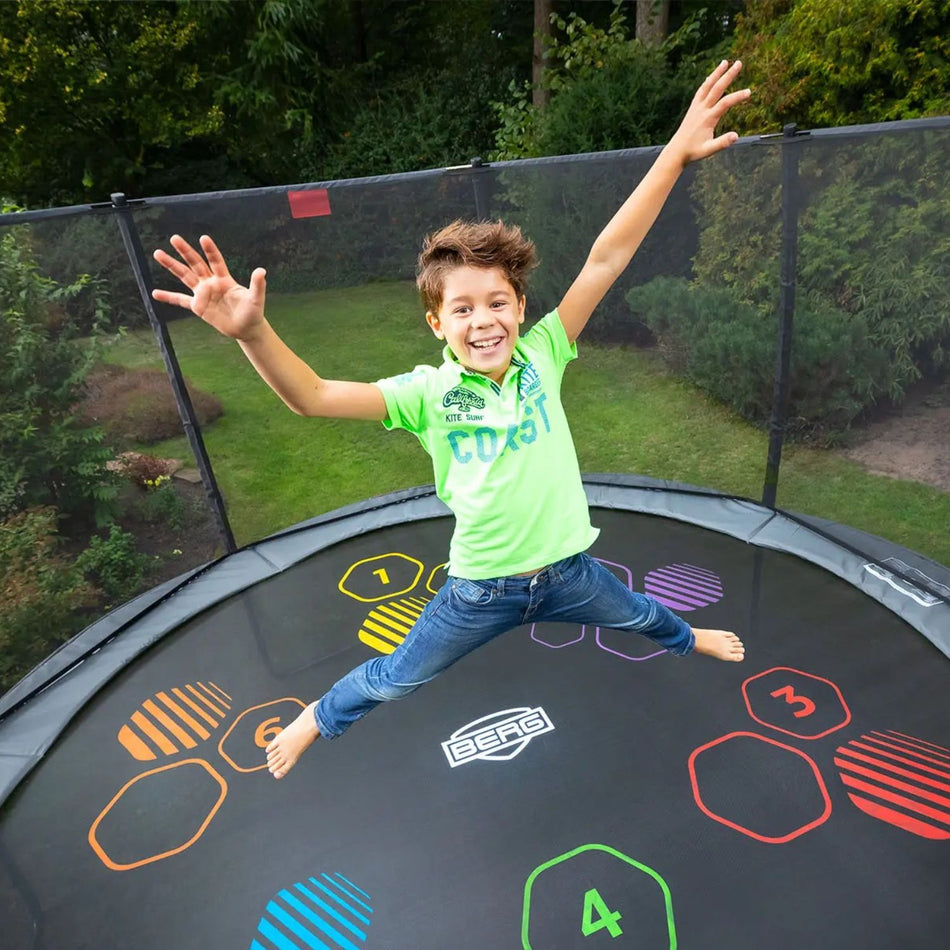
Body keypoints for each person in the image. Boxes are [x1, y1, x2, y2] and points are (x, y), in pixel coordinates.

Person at [153, 60, 750, 780]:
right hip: (481, 591)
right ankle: (318, 716)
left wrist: (674, 154)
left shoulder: (545, 353)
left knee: (641, 615)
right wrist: (252, 333)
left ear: (521, 309)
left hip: (568, 571)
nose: (484, 321)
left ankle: (692, 640)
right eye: (462, 309)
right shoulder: (426, 394)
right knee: (396, 676)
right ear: (438, 323)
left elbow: (607, 256)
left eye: (497, 303)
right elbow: (310, 396)